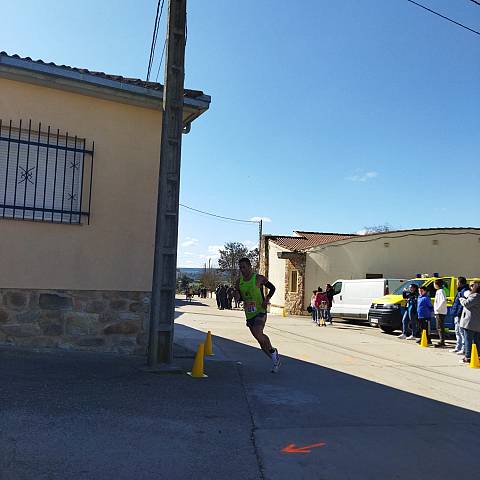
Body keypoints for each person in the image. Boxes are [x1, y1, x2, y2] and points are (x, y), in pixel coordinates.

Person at [234, 257, 281, 373]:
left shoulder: (258, 278)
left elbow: (272, 288)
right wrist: (237, 296)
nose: (242, 270)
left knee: (259, 334)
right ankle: (274, 358)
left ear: (250, 267)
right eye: (240, 267)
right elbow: (238, 294)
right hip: (249, 313)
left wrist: (267, 298)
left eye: (244, 267)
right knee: (260, 341)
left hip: (260, 310)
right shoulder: (239, 282)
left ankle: (274, 352)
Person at [459, 281, 480, 364]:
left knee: (468, 340)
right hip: (476, 323)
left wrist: (461, 298)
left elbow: (466, 304)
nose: (470, 287)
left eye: (472, 286)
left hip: (470, 323)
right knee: (477, 341)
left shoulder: (475, 296)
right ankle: (477, 356)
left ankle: (468, 357)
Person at [450, 277, 469, 355]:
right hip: (457, 314)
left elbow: (462, 304)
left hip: (460, 314)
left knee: (461, 332)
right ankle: (458, 347)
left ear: (460, 283)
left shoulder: (464, 291)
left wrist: (458, 313)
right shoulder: (460, 291)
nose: (456, 283)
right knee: (457, 331)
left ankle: (463, 348)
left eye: (457, 282)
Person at [433, 279, 448, 348]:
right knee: (439, 327)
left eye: (434, 284)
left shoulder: (441, 291)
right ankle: (441, 340)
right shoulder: (439, 291)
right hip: (439, 311)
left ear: (437, 284)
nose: (434, 285)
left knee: (440, 327)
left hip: (440, 312)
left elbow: (443, 300)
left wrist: (438, 309)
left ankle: (442, 341)